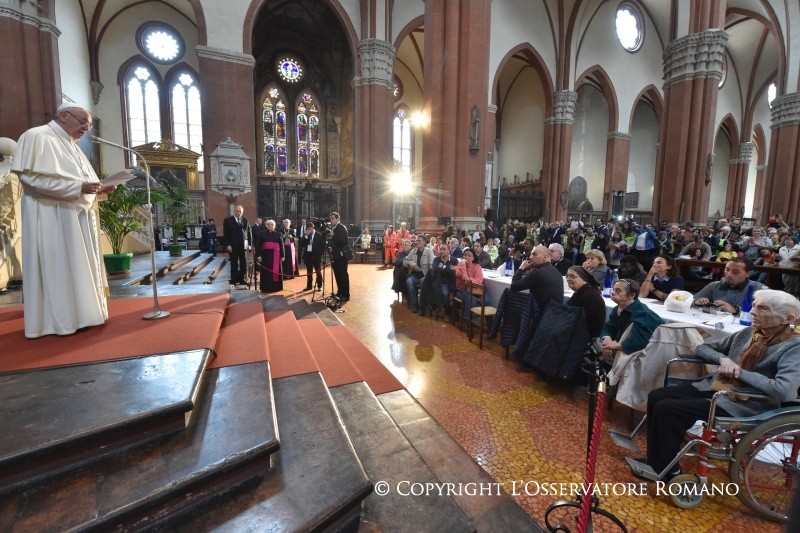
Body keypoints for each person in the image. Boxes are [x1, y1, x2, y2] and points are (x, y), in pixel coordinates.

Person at [641, 289, 800, 479]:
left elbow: (784, 390)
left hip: (748, 403)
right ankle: (657, 459)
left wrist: (740, 372)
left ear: (787, 318)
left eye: (763, 308)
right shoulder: (749, 333)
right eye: (755, 305)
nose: (753, 312)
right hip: (719, 389)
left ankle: (668, 471)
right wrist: (723, 359)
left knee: (669, 409)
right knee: (657, 396)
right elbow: (702, 347)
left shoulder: (793, 347)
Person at [12, 103, 113, 338]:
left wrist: (101, 190)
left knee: (79, 266)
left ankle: (84, 315)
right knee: (58, 267)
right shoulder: (36, 136)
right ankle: (60, 321)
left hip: (77, 216)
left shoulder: (73, 146)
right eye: (83, 122)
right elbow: (30, 179)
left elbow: (85, 183)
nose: (86, 128)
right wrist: (78, 187)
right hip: (50, 216)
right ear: (64, 116)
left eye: (88, 124)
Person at [600, 279, 663, 360]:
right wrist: (607, 340)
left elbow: (639, 342)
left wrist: (616, 345)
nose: (612, 292)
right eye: (613, 289)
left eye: (618, 290)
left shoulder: (643, 314)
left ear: (632, 295)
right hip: (622, 349)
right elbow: (608, 328)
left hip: (647, 356)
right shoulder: (617, 309)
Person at [693, 257, 765, 314]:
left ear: (748, 274)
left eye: (735, 272)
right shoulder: (715, 285)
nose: (729, 274)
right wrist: (696, 302)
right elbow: (689, 301)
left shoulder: (758, 289)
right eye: (727, 270)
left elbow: (768, 312)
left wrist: (735, 310)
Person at [511, 244, 564, 315]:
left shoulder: (538, 273)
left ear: (545, 257)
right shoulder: (556, 272)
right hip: (554, 317)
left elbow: (514, 287)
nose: (530, 257)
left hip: (539, 318)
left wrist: (521, 268)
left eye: (534, 254)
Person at [565, 266, 606, 337]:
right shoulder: (580, 291)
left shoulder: (591, 296)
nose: (568, 279)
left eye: (572, 276)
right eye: (567, 276)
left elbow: (588, 324)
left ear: (583, 279)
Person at [404, 236, 435, 314]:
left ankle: (422, 307)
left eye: (419, 241)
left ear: (424, 242)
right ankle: (414, 304)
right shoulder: (413, 251)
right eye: (416, 240)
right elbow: (405, 261)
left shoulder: (429, 252)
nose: (417, 242)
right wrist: (413, 265)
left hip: (425, 276)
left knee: (424, 284)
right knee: (409, 282)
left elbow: (431, 266)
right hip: (415, 276)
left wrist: (426, 277)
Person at [223, 205, 250, 285]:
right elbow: (226, 234)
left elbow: (248, 233)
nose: (239, 213)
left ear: (242, 212)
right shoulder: (228, 220)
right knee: (234, 262)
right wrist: (228, 245)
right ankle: (234, 279)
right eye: (238, 211)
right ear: (234, 211)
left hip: (243, 245)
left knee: (243, 262)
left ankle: (242, 278)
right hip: (232, 245)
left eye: (240, 211)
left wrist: (249, 244)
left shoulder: (245, 220)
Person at [454, 248, 485, 318]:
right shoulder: (460, 266)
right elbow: (461, 275)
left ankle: (490, 324)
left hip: (476, 289)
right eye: (465, 255)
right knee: (471, 301)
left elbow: (479, 281)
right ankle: (467, 320)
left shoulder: (477, 267)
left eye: (469, 255)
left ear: (473, 258)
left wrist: (469, 279)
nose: (466, 257)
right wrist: (463, 265)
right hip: (462, 290)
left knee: (487, 301)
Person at [254, 219, 283, 293]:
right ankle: (266, 288)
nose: (270, 226)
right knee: (266, 272)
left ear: (274, 226)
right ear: (266, 226)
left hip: (275, 256)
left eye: (272, 224)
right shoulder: (261, 233)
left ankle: (276, 287)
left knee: (275, 271)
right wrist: (259, 255)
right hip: (265, 256)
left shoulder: (278, 234)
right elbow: (258, 245)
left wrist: (283, 256)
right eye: (269, 224)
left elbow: (281, 246)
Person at [328, 212, 350, 301]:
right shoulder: (335, 228)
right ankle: (340, 292)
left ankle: (345, 294)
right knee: (337, 274)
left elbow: (343, 241)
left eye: (333, 218)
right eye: (330, 219)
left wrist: (333, 235)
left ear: (338, 219)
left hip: (341, 256)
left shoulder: (341, 227)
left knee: (343, 275)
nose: (331, 220)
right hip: (336, 255)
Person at [299, 221, 324, 291]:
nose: (309, 230)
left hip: (316, 256)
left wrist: (320, 255)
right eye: (308, 229)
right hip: (308, 256)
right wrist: (306, 236)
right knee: (309, 272)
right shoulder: (307, 235)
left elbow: (323, 246)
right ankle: (309, 286)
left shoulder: (319, 235)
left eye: (310, 229)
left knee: (318, 271)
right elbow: (301, 244)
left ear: (313, 228)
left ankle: (320, 285)